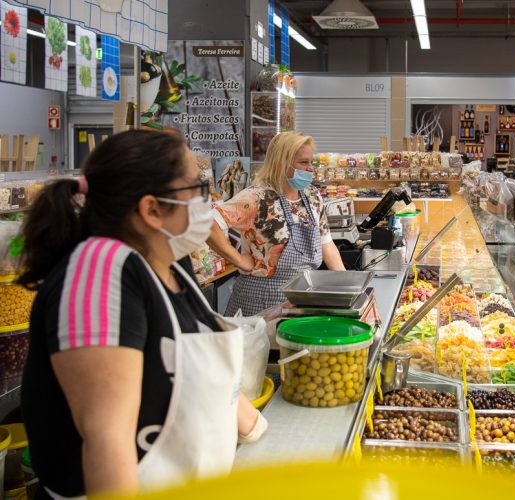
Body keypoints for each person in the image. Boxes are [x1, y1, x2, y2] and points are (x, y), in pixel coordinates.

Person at [19, 131, 265, 498]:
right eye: (198, 189)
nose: (209, 201)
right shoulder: (100, 273)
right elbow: (108, 443)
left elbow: (202, 369)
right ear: (151, 210)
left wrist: (256, 428)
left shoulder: (171, 263)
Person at [208, 132, 345, 316]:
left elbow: (326, 245)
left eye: (311, 162)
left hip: (301, 297)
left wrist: (347, 286)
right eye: (303, 162)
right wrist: (238, 260)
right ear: (282, 162)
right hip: (260, 300)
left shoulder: (312, 196)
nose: (311, 168)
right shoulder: (256, 197)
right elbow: (208, 224)